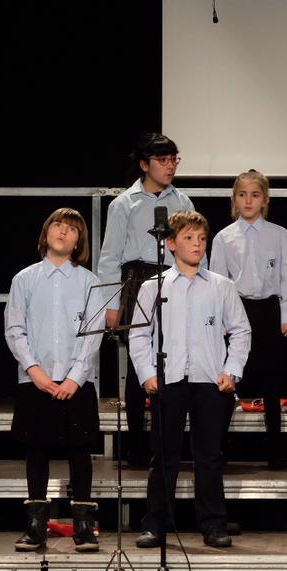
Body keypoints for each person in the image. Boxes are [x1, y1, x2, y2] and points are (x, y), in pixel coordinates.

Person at [128, 211, 251, 550]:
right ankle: (156, 524)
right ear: (170, 243)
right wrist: (147, 374)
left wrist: (232, 370)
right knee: (163, 457)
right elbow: (139, 335)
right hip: (169, 380)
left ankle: (212, 523)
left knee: (209, 456)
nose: (197, 244)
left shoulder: (221, 286)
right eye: (188, 238)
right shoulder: (153, 287)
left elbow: (241, 330)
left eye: (201, 239)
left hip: (209, 381)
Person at [4, 208, 103, 553]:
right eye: (58, 225)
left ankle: (83, 526)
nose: (63, 232)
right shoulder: (25, 279)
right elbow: (15, 329)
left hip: (77, 382)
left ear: (79, 241)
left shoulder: (89, 282)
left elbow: (93, 332)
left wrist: (75, 377)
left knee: (80, 450)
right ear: (46, 232)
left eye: (72, 229)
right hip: (36, 380)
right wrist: (35, 371)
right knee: (36, 449)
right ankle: (35, 526)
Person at [95, 133, 195, 467]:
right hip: (136, 280)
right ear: (144, 164)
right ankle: (135, 447)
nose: (170, 166)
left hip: (174, 277)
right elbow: (110, 256)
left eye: (173, 160)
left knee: (172, 360)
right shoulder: (124, 203)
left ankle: (167, 447)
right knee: (140, 362)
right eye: (162, 160)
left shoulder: (183, 201)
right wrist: (111, 305)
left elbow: (196, 247)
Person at [209, 169, 287, 469]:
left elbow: (285, 277)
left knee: (272, 381)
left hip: (269, 310)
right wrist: (221, 321)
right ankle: (218, 451)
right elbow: (217, 281)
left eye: (255, 195)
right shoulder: (224, 237)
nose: (248, 201)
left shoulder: (279, 234)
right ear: (234, 199)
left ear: (265, 199)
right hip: (238, 309)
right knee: (231, 378)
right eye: (242, 195)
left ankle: (275, 451)